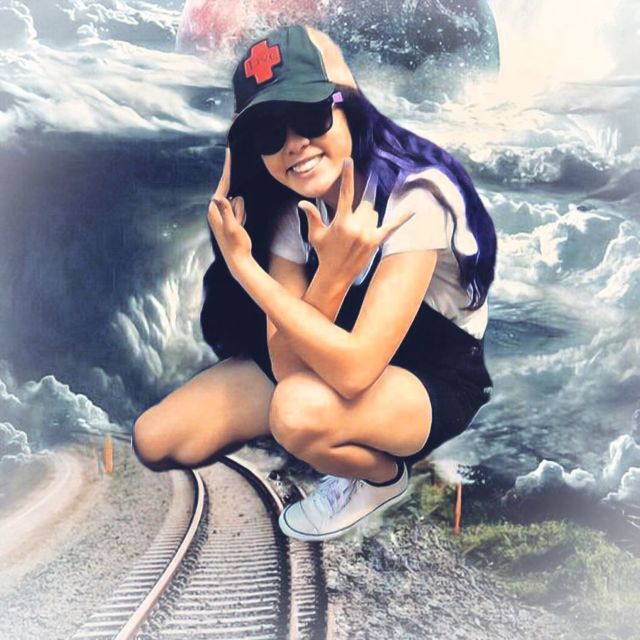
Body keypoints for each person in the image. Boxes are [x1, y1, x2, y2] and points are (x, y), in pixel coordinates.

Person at [131, 24, 496, 542]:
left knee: (297, 412)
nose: (294, 145)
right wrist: (319, 274)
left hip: (431, 370)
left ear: (348, 108)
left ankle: (379, 478)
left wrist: (260, 271)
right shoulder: (291, 212)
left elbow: (355, 370)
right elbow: (287, 366)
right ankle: (327, 433)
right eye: (268, 133)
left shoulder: (415, 196)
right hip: (326, 352)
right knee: (157, 438)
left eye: (309, 115)